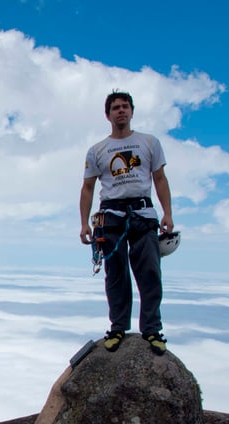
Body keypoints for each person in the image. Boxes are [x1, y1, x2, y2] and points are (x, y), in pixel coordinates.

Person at [79, 90, 174, 355]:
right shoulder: (97, 150)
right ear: (107, 115)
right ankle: (118, 327)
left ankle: (152, 330)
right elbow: (87, 188)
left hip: (143, 214)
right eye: (115, 108)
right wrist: (84, 223)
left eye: (125, 107)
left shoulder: (149, 143)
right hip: (111, 216)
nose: (121, 111)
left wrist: (167, 213)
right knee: (116, 276)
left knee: (150, 273)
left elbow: (160, 179)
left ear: (132, 111)